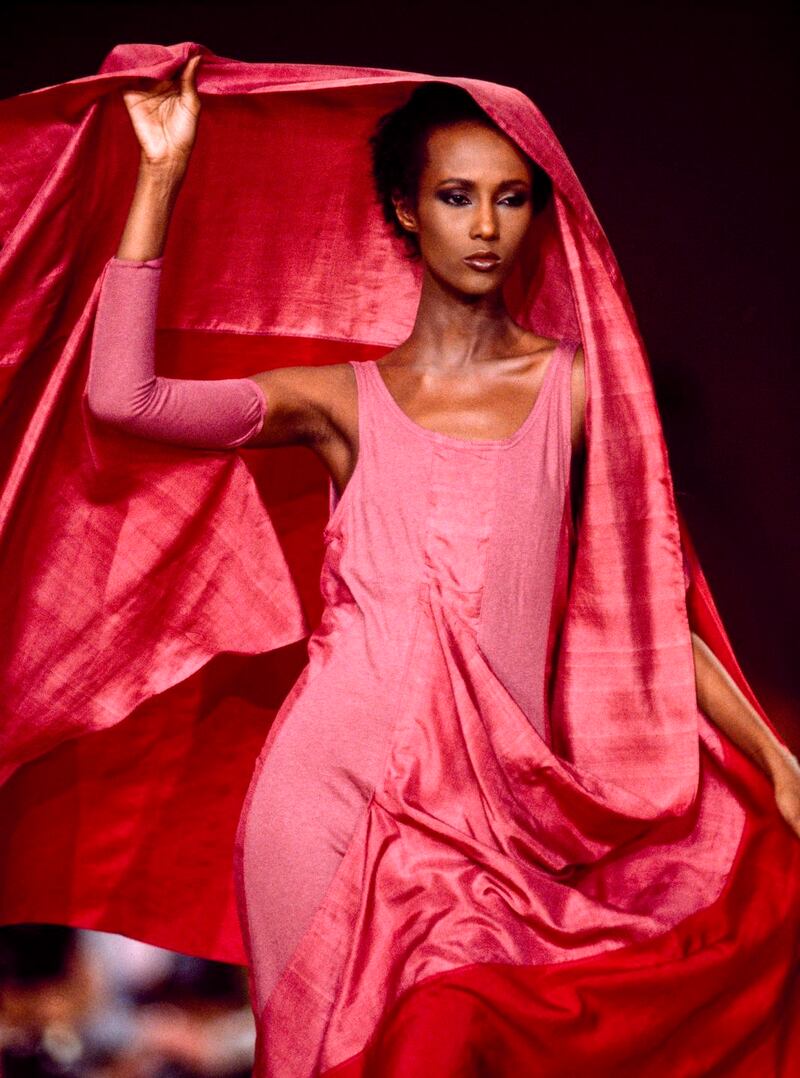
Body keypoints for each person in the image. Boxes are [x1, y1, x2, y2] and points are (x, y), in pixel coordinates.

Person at [82, 54, 800, 1075]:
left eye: (508, 199)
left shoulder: (584, 395)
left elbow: (652, 617)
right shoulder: (336, 399)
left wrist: (778, 765)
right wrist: (159, 175)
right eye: (455, 196)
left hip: (488, 817)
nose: (483, 226)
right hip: (323, 796)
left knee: (451, 1031)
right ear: (403, 209)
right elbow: (125, 401)